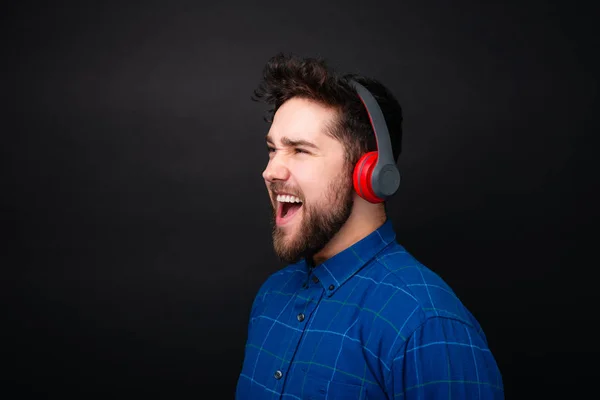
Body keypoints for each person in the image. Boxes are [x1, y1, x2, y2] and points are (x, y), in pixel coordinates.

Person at [235, 53, 504, 399]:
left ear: (370, 175)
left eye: (300, 151)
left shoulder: (427, 325)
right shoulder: (271, 297)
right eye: (273, 149)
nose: (270, 171)